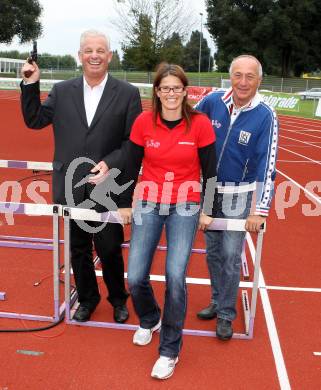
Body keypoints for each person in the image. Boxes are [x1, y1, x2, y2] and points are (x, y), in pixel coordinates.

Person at [20, 29, 142, 323]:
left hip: (108, 185)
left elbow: (133, 142)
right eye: (89, 50)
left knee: (110, 247)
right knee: (78, 248)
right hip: (71, 186)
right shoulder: (62, 91)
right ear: (80, 56)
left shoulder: (128, 94)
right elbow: (35, 119)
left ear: (110, 56)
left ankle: (117, 299)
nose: (94, 56)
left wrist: (109, 163)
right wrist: (30, 83)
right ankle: (87, 298)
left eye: (100, 50)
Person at [123, 63, 217, 380]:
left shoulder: (200, 124)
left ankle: (169, 350)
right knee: (135, 276)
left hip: (186, 203)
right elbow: (131, 163)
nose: (171, 94)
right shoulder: (142, 123)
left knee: (175, 275)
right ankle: (150, 317)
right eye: (165, 88)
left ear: (185, 91)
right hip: (149, 200)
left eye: (177, 88)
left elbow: (211, 170)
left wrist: (207, 208)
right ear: (157, 92)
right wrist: (124, 202)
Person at [195, 55, 278, 340]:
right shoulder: (211, 102)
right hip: (208, 191)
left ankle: (227, 314)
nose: (243, 82)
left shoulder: (265, 115)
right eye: (238, 75)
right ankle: (217, 300)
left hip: (239, 195)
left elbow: (268, 164)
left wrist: (261, 209)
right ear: (230, 76)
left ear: (259, 80)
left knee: (231, 256)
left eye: (250, 76)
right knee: (213, 252)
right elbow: (186, 125)